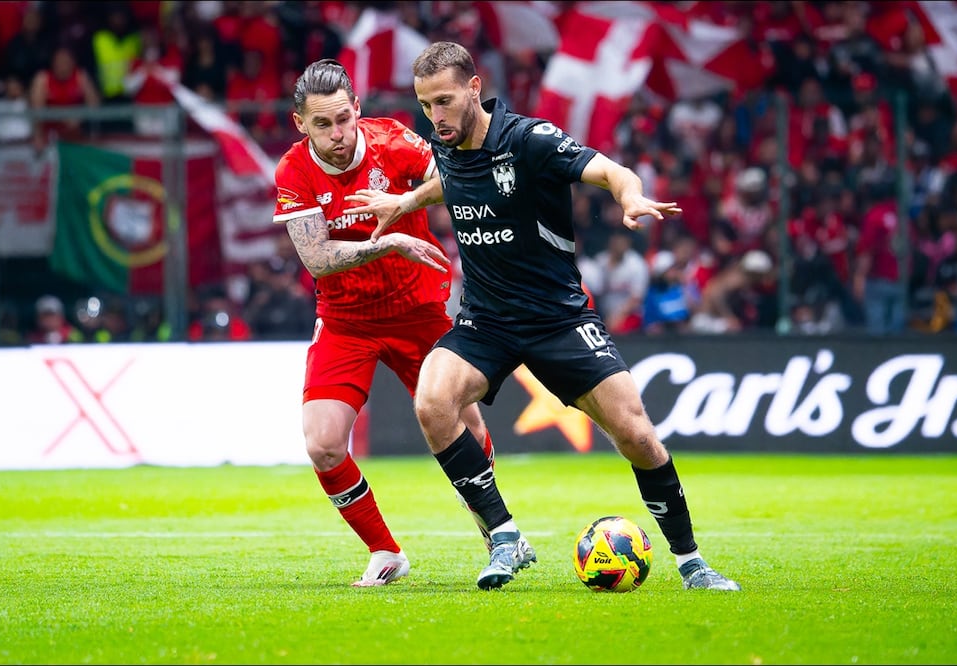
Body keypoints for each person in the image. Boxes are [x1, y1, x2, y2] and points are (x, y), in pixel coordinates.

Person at [345, 42, 740, 592]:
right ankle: (504, 534)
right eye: (425, 104)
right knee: (433, 400)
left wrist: (630, 198)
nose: (434, 117)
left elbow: (611, 170)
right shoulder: (449, 143)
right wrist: (405, 203)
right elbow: (452, 178)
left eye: (444, 101)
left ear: (474, 89)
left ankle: (692, 560)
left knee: (637, 435)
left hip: (558, 318)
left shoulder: (530, 139)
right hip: (488, 321)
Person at [271, 58, 494, 587]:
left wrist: (412, 198)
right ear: (300, 123)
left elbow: (451, 175)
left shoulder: (394, 142)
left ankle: (496, 532)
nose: (337, 134)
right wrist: (388, 238)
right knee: (323, 443)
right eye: (322, 124)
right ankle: (385, 551)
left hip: (418, 311)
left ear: (357, 110)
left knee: (467, 425)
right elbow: (317, 259)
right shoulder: (293, 172)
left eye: (343, 119)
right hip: (346, 320)